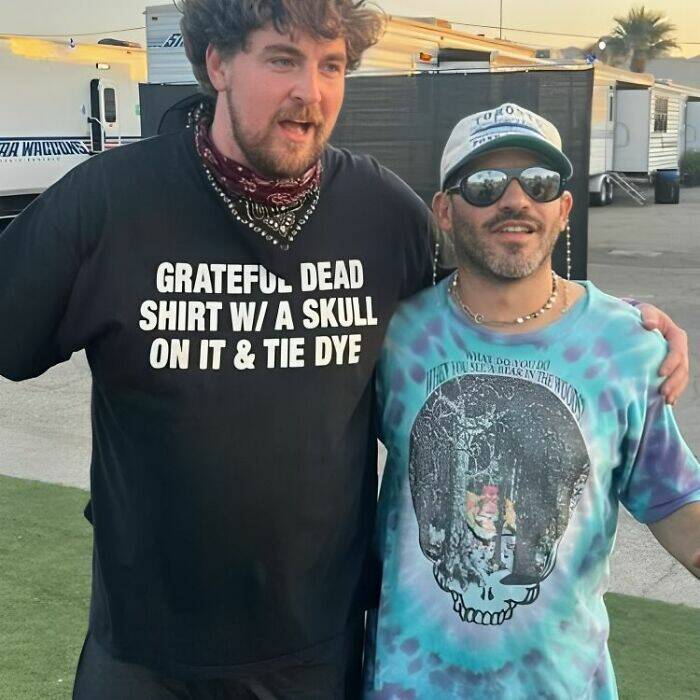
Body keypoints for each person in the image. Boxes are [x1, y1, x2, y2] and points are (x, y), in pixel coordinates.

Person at [0, 1, 689, 696]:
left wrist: (610, 322)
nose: (311, 91)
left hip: (315, 657)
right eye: (282, 60)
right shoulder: (109, 202)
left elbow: (479, 311)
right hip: (143, 656)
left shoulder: (384, 215)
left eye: (331, 66)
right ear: (217, 63)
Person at [363, 104, 700, 699]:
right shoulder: (393, 338)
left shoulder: (626, 347)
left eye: (539, 183)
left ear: (563, 208)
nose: (515, 200)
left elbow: (681, 515)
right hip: (407, 686)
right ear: (445, 210)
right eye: (485, 184)